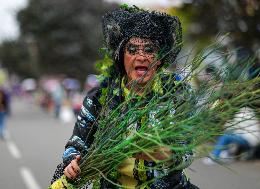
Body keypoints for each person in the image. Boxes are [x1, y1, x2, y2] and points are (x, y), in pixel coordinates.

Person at [51, 7, 198, 189]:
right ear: (122, 56)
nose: (141, 57)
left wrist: (166, 154)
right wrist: (72, 161)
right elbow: (77, 144)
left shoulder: (178, 94)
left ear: (159, 58)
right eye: (133, 49)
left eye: (149, 49)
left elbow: (188, 151)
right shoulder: (100, 98)